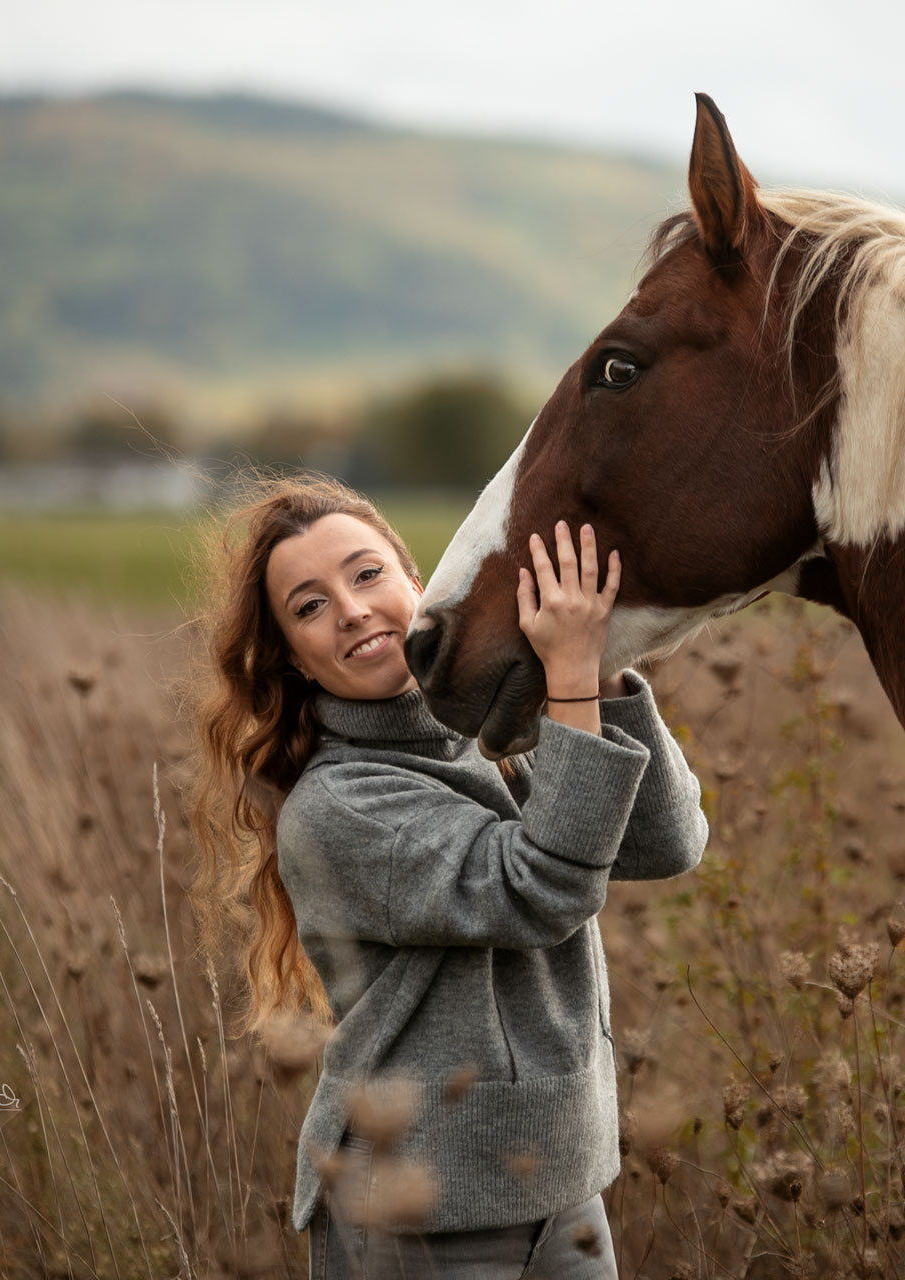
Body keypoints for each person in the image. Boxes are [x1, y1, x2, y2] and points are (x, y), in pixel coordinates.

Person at [187, 475, 707, 1279]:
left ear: (417, 582)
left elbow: (665, 841)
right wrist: (566, 681)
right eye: (310, 606)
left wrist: (599, 671)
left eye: (366, 575)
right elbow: (541, 889)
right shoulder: (340, 805)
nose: (353, 610)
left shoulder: (488, 728)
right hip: (421, 1215)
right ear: (293, 657)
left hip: (564, 1190)